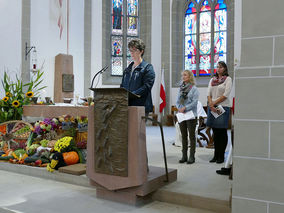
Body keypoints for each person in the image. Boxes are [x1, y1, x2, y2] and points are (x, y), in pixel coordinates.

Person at [120, 39, 155, 115]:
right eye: (130, 50)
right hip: (126, 105)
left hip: (141, 105)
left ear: (141, 51)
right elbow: (122, 86)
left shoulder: (147, 68)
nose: (132, 53)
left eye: (134, 50)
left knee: (138, 127)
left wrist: (132, 95)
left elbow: (147, 86)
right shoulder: (127, 70)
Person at [206, 61, 232, 164]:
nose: (218, 69)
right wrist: (211, 104)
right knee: (215, 132)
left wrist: (213, 103)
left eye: (221, 67)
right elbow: (208, 93)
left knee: (221, 131)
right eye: (217, 67)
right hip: (213, 107)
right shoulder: (213, 80)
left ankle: (221, 155)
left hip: (223, 107)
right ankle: (215, 155)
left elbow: (226, 94)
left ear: (225, 69)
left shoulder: (228, 79)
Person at [176, 70, 199, 164]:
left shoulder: (194, 89)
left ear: (189, 77)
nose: (183, 77)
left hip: (190, 115)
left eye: (185, 75)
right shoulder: (181, 88)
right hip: (182, 115)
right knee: (183, 136)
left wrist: (185, 108)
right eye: (182, 75)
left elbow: (195, 102)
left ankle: (192, 156)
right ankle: (184, 156)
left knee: (192, 136)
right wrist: (179, 108)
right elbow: (177, 101)